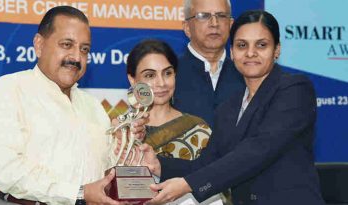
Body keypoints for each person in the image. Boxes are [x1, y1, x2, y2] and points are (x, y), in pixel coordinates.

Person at [140, 10, 325, 205]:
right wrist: (159, 165)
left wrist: (188, 185)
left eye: (261, 45)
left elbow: (258, 150)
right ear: (232, 52)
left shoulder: (294, 89)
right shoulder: (229, 107)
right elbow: (206, 164)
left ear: (276, 50)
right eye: (241, 45)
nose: (250, 53)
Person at [0, 6, 146, 205]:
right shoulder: (7, 91)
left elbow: (104, 171)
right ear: (39, 45)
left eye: (84, 49)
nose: (76, 57)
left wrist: (123, 145)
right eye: (67, 45)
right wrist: (79, 194)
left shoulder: (92, 106)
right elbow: (6, 172)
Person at [127, 39, 230, 205]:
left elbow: (214, 183)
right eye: (150, 75)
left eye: (167, 73)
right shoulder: (122, 132)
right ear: (132, 79)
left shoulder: (198, 130)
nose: (161, 83)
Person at [173, 0, 245, 127]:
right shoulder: (169, 75)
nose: (214, 23)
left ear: (230, 25)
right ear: (187, 27)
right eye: (204, 16)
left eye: (221, 16)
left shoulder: (246, 74)